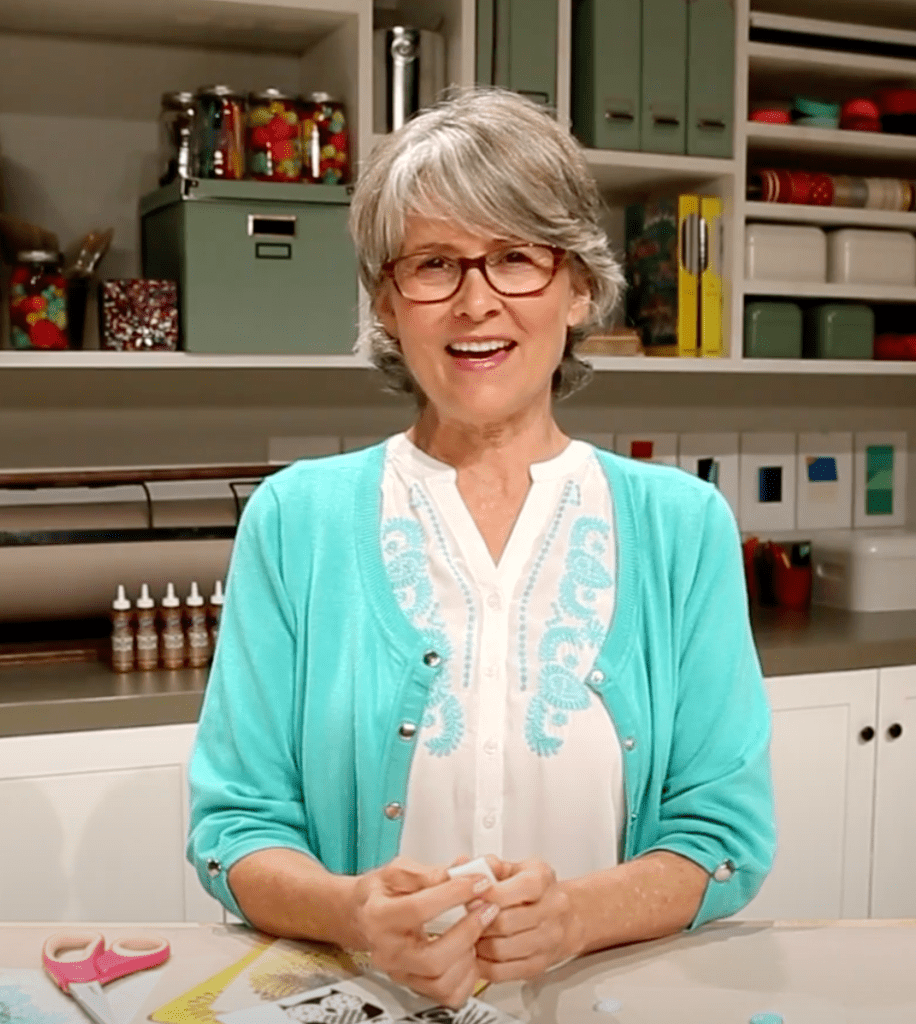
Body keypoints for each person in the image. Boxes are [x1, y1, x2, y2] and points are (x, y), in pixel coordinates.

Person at [188, 87, 775, 1010]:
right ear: (387, 300)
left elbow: (724, 833)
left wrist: (576, 916)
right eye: (432, 264)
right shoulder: (294, 520)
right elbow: (235, 825)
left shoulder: (683, 525)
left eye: (515, 258)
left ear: (579, 286)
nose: (475, 302)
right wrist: (350, 912)